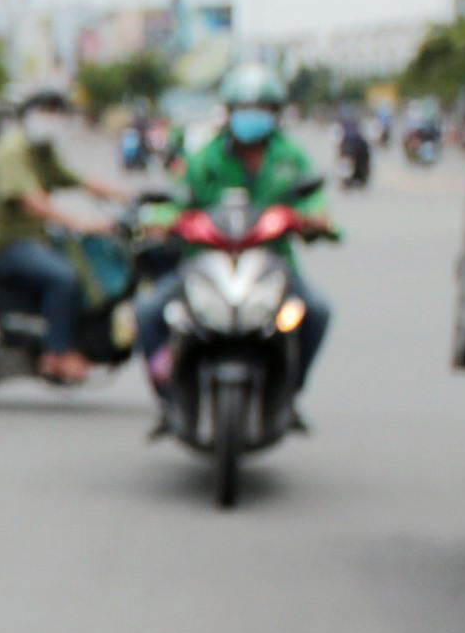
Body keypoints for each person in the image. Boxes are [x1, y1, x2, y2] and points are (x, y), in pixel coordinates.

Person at [143, 57, 341, 397]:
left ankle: (288, 389)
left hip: (273, 264)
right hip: (205, 263)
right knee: (148, 312)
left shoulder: (290, 157)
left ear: (275, 112)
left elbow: (313, 201)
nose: (252, 115)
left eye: (261, 107)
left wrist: (315, 220)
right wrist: (160, 222)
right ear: (229, 111)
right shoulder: (205, 158)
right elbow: (176, 200)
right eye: (244, 107)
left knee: (318, 312)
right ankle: (170, 398)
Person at [0, 86, 121, 384]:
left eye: (56, 113)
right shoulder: (13, 150)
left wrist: (129, 197)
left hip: (35, 239)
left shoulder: (40, 150)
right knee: (64, 278)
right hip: (7, 244)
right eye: (46, 112)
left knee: (84, 264)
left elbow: (75, 179)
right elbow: (33, 201)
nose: (51, 119)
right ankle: (57, 353)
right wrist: (79, 222)